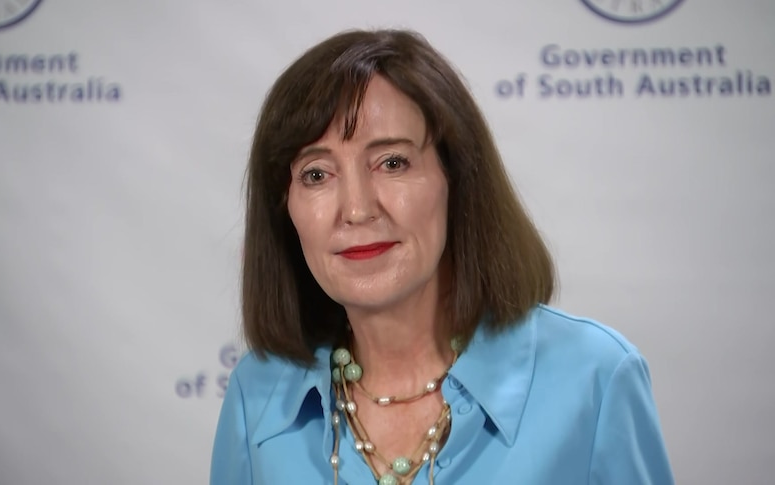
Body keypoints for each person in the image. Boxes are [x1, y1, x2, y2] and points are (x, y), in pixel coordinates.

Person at [211, 29, 673, 485]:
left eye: (392, 163)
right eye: (316, 174)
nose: (356, 209)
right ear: (285, 207)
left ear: (456, 178)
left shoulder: (595, 379)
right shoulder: (257, 395)